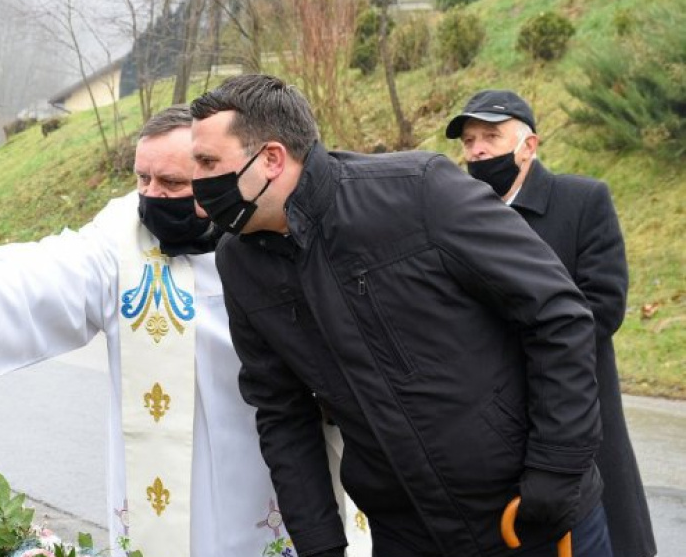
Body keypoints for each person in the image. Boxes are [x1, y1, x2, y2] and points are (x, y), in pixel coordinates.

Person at [0, 106, 371, 557]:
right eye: (143, 179)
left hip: (277, 469)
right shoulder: (124, 239)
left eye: (172, 184)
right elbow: (45, 272)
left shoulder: (279, 234)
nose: (151, 196)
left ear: (220, 177)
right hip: (169, 495)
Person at [190, 74, 610, 557]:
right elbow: (281, 411)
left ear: (271, 158)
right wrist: (319, 542)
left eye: (208, 162)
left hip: (528, 515)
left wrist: (557, 468)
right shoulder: (239, 263)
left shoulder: (418, 193)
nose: (198, 182)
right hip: (406, 534)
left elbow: (557, 312)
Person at [447, 89, 656, 557]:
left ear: (529, 145)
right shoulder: (456, 217)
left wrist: (517, 339)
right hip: (494, 421)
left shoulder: (582, 201)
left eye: (490, 137)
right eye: (469, 140)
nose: (477, 150)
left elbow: (603, 306)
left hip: (577, 405)